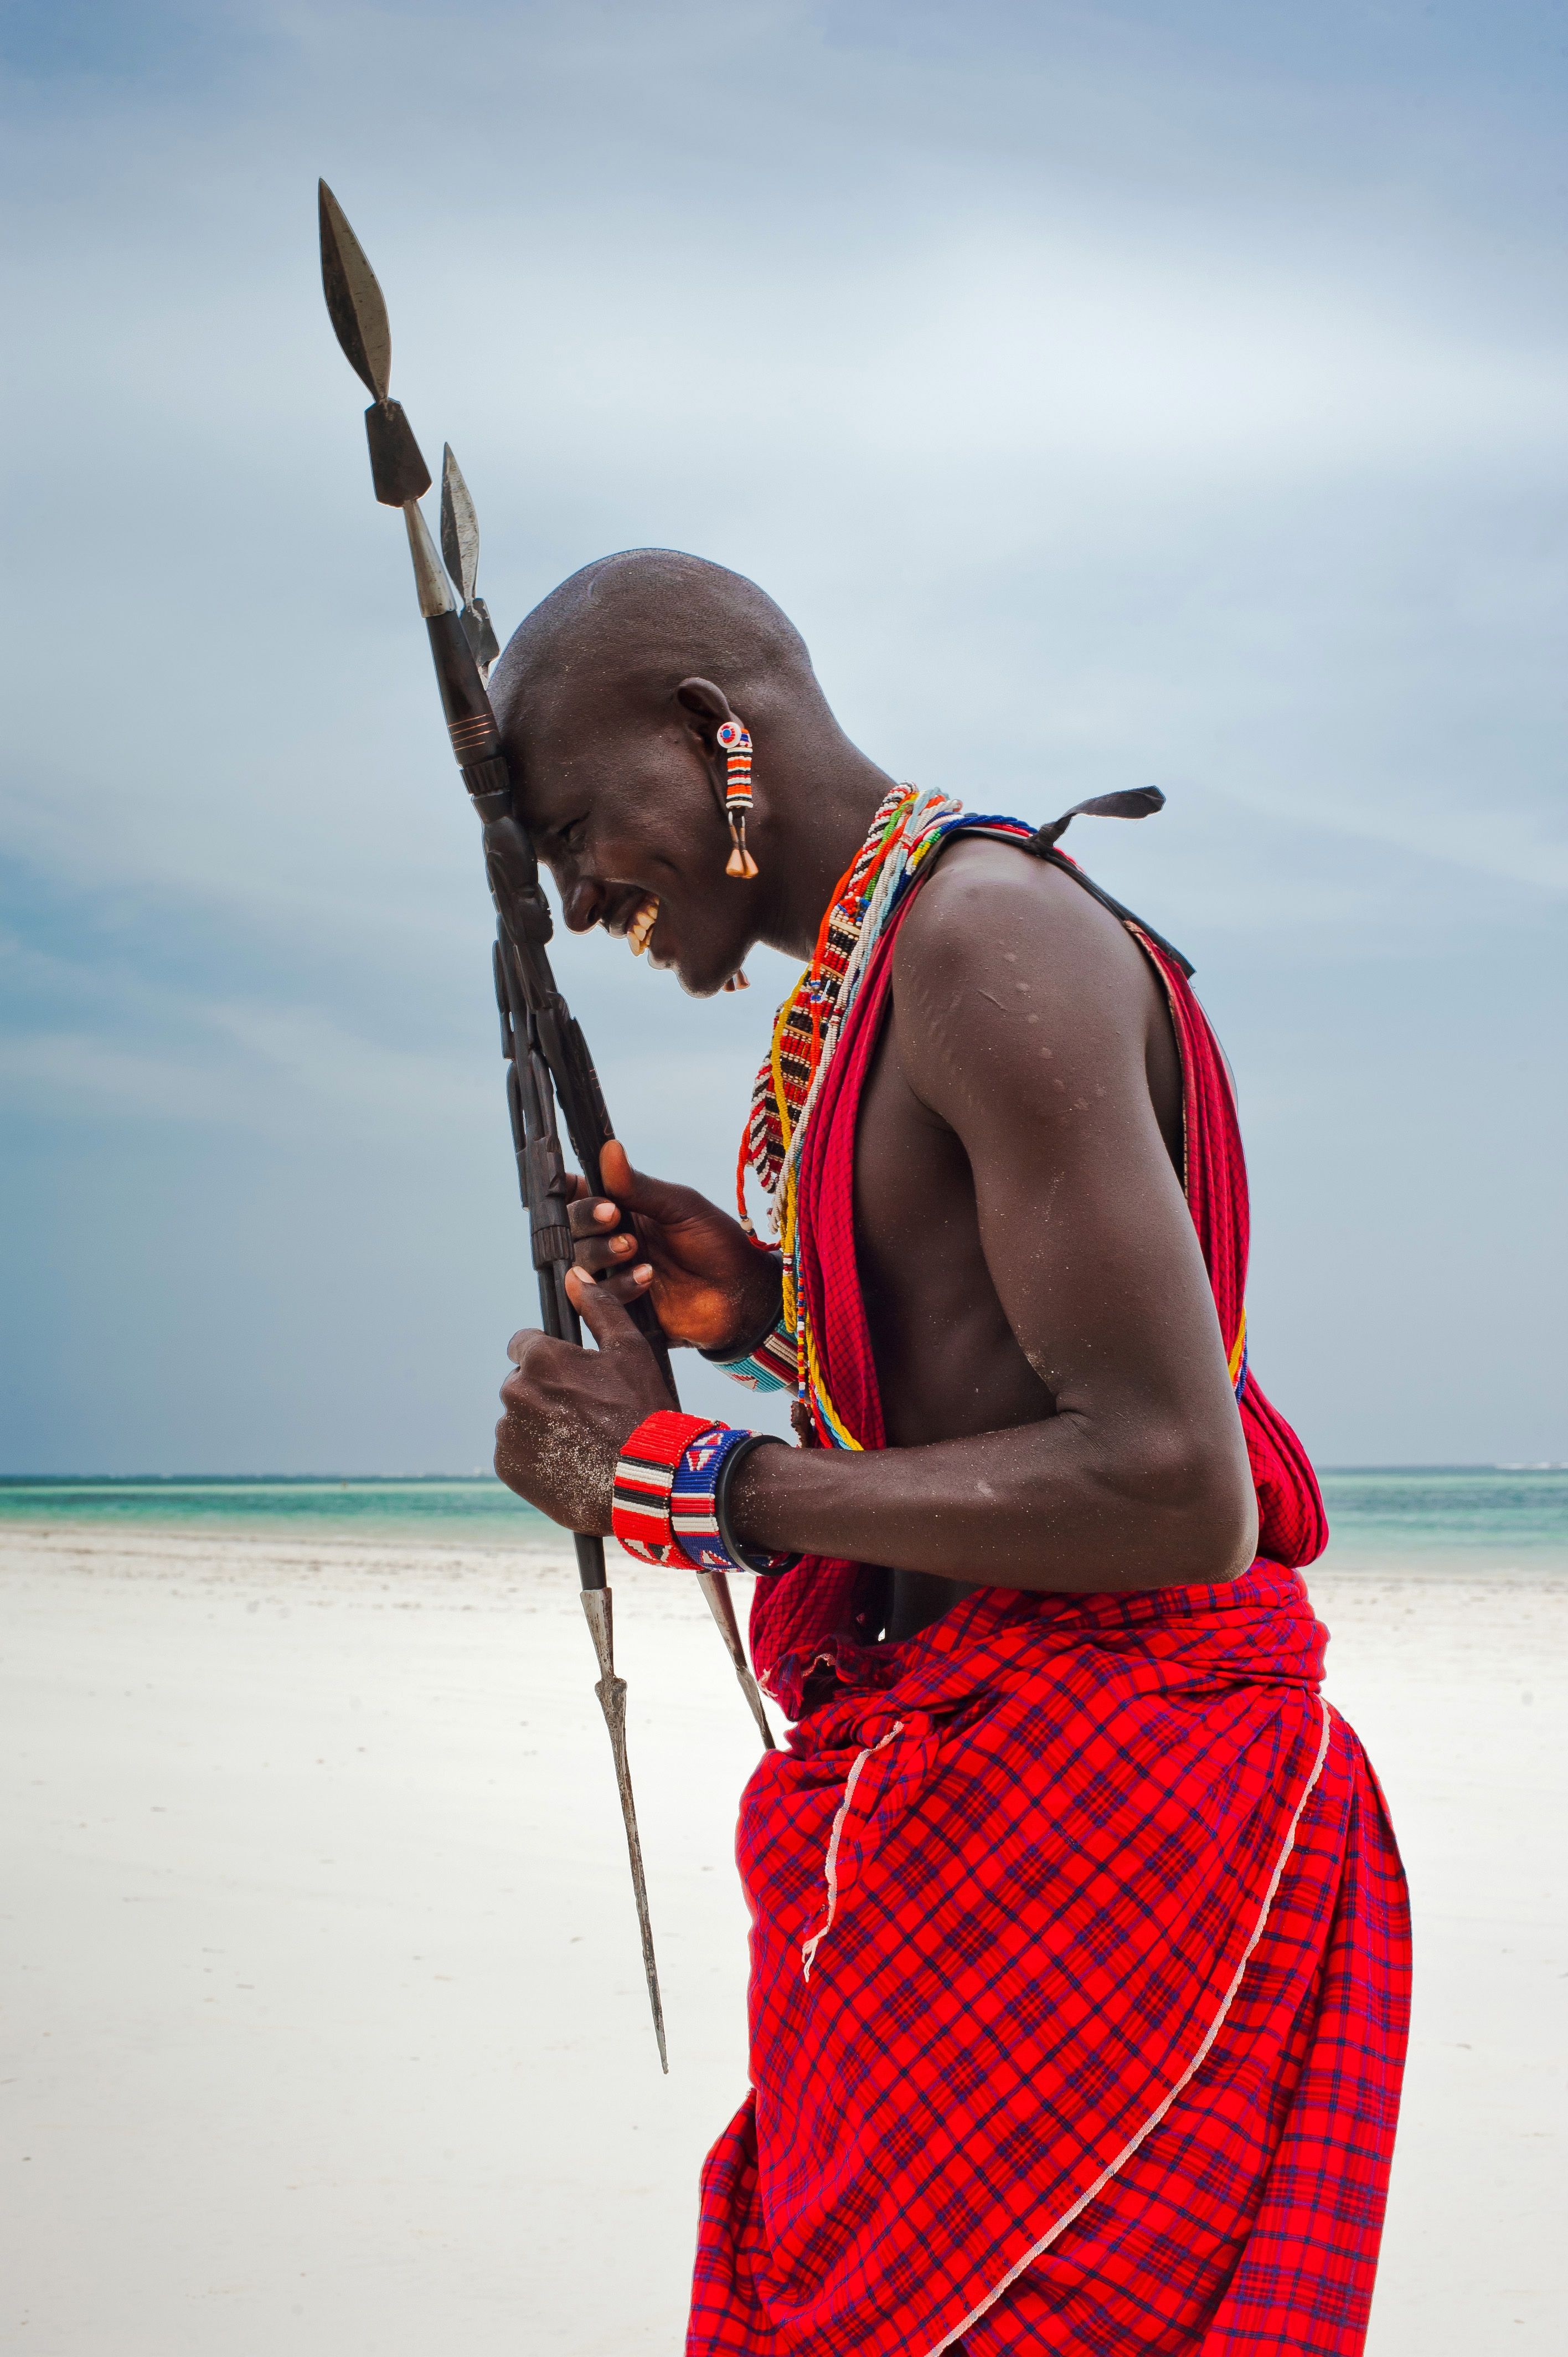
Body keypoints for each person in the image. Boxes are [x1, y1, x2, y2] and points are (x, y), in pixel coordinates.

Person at [489, 549, 1410, 2357]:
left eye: (587, 823)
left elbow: (1169, 1484)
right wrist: (766, 1315)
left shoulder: (983, 937)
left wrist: (689, 1480)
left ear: (711, 734)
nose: (582, 889)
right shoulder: (880, 977)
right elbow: (1001, 1386)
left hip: (1115, 1833)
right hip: (970, 1823)